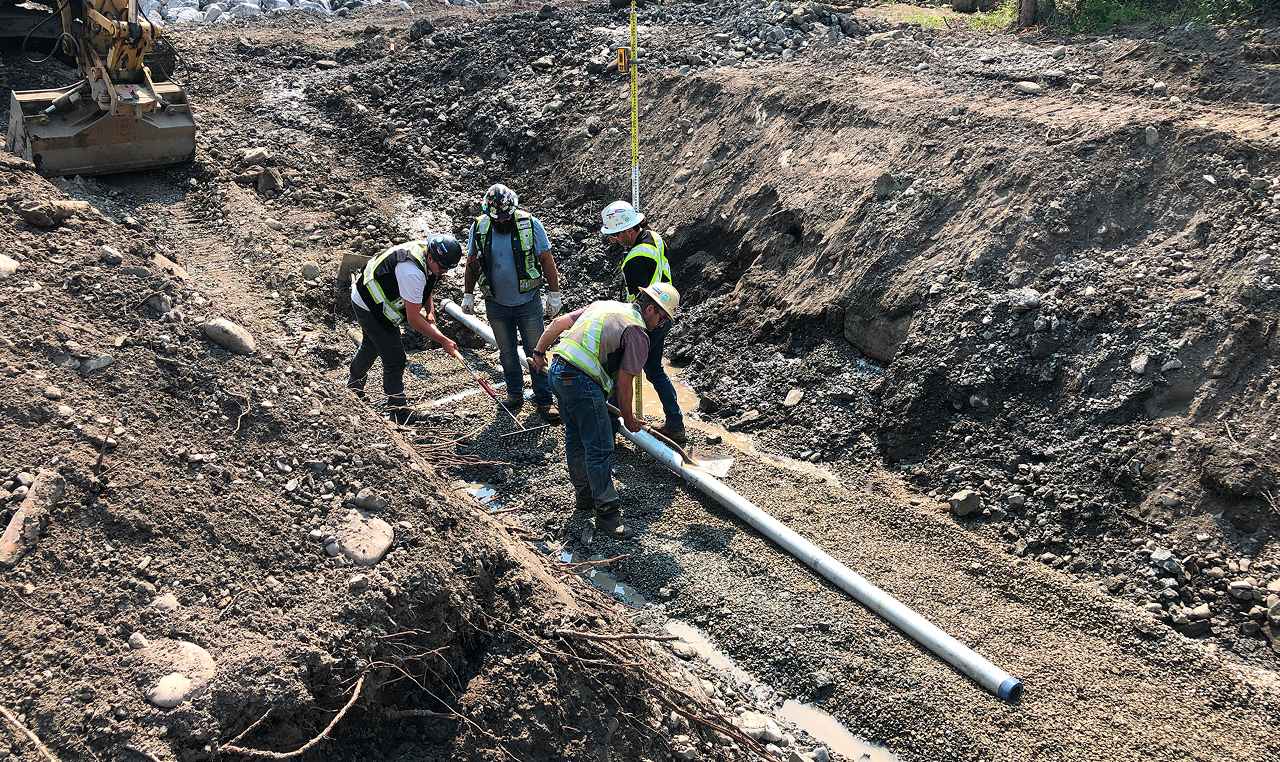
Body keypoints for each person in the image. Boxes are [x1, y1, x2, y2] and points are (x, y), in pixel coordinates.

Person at [529, 283, 681, 539]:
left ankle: (585, 497)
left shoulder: (604, 306)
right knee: (599, 447)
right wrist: (629, 419)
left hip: (558, 371)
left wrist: (539, 351)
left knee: (576, 439)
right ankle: (608, 515)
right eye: (663, 316)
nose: (662, 323)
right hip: (580, 381)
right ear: (651, 309)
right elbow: (624, 382)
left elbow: (557, 324)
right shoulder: (637, 333)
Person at [462, 184, 563, 423]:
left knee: (535, 350)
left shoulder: (530, 224)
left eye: (506, 218)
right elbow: (472, 262)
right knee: (507, 352)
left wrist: (554, 293)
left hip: (528, 302)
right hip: (496, 303)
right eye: (498, 219)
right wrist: (468, 294)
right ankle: (515, 394)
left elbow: (546, 260)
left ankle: (544, 400)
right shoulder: (479, 226)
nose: (502, 222)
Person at [347, 235, 463, 424]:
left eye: (448, 269)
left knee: (371, 346)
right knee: (395, 358)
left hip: (373, 297)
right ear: (432, 258)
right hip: (369, 304)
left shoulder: (428, 255)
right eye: (442, 268)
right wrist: (443, 340)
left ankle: (353, 385)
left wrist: (430, 310)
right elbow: (414, 320)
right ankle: (398, 411)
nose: (443, 272)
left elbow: (429, 282)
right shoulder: (411, 272)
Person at [599, 200, 685, 443]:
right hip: (664, 312)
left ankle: (609, 430)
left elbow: (635, 302)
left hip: (647, 321)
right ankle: (675, 423)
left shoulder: (635, 259)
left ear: (629, 230)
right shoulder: (655, 238)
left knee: (620, 371)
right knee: (655, 370)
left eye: (616, 235)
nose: (614, 240)